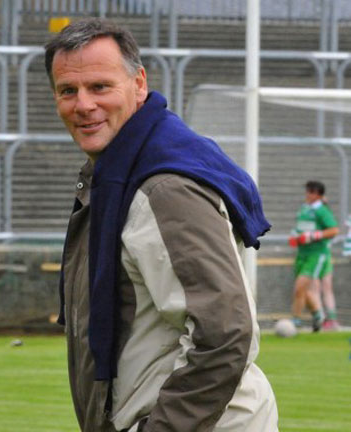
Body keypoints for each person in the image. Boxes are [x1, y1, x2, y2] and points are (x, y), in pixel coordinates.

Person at [45, 18, 278, 432]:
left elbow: (224, 333)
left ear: (139, 84)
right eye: (68, 91)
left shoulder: (164, 187)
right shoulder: (119, 174)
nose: (82, 105)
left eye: (100, 86)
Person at [288, 181, 339, 332]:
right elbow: (300, 228)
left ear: (317, 195)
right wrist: (295, 236)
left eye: (310, 192)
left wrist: (314, 235)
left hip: (316, 255)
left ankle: (295, 322)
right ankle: (318, 316)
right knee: (305, 289)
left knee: (299, 287)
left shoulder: (322, 211)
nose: (307, 194)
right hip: (301, 254)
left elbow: (334, 230)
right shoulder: (304, 209)